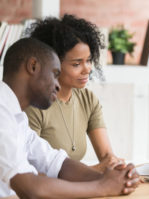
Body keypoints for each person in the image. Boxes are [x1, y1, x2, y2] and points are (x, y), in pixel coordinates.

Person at [0, 37, 140, 198]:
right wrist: (103, 186)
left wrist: (117, 179)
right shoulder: (1, 110)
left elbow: (58, 163)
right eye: (54, 74)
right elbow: (31, 189)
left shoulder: (16, 118)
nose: (57, 85)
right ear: (33, 66)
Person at [24, 14, 122, 172]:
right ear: (51, 63)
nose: (87, 69)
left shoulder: (88, 100)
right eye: (77, 64)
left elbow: (107, 156)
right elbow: (30, 176)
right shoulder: (34, 106)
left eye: (89, 60)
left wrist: (117, 166)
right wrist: (96, 170)